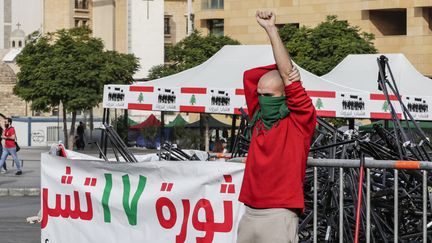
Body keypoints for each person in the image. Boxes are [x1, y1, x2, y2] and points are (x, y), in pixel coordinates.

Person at [237, 10, 316, 243]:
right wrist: (280, 72)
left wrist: (271, 30)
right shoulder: (258, 116)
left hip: (279, 213)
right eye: (259, 95)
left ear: (284, 95)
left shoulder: (300, 121)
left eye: (268, 95)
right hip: (249, 211)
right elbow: (250, 76)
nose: (261, 99)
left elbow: (288, 78)